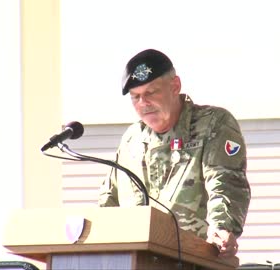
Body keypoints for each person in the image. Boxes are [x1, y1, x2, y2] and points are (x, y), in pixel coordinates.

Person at [98, 49, 251, 258]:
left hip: (193, 260)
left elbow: (224, 181)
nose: (143, 103)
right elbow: (110, 200)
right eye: (136, 97)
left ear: (175, 86)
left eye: (151, 93)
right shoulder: (131, 139)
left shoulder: (212, 124)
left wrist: (221, 227)